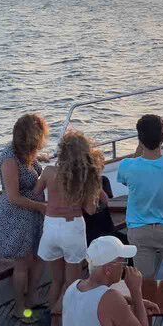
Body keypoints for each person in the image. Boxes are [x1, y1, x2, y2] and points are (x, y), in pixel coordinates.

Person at [34, 130, 106, 316]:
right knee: (72, 283)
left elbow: (36, 192)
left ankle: (52, 318)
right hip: (72, 228)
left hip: (51, 227)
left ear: (62, 151)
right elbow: (90, 210)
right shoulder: (85, 178)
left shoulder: (49, 172)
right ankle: (62, 317)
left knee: (57, 280)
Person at [0, 113, 49, 324]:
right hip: (17, 217)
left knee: (40, 256)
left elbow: (31, 168)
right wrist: (42, 207)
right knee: (23, 262)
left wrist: (41, 159)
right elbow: (14, 197)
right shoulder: (9, 159)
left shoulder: (26, 153)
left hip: (33, 216)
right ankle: (19, 308)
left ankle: (32, 297)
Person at [116, 115, 163, 282]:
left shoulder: (127, 166)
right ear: (162, 137)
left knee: (145, 280)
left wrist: (140, 145)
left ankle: (147, 300)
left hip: (139, 231)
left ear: (140, 139)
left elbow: (127, 176)